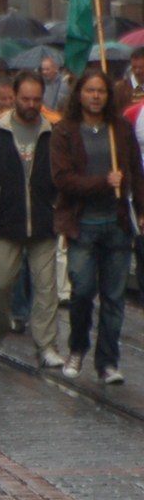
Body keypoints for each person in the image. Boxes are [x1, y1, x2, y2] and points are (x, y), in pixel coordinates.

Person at [51, 69, 144, 384]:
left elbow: (134, 170)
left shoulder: (120, 129)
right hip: (83, 225)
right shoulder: (65, 131)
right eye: (90, 91)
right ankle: (77, 347)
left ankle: (107, 362)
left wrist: (140, 206)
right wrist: (103, 183)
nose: (95, 96)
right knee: (83, 291)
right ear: (79, 94)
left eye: (101, 91)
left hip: (116, 224)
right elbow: (63, 180)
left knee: (114, 297)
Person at [0, 71, 63, 369]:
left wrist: (57, 207)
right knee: (0, 284)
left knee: (46, 288)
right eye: (25, 98)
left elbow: (60, 177)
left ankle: (46, 344)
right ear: (13, 96)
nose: (31, 104)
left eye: (37, 99)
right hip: (6, 220)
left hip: (43, 219)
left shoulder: (52, 132)